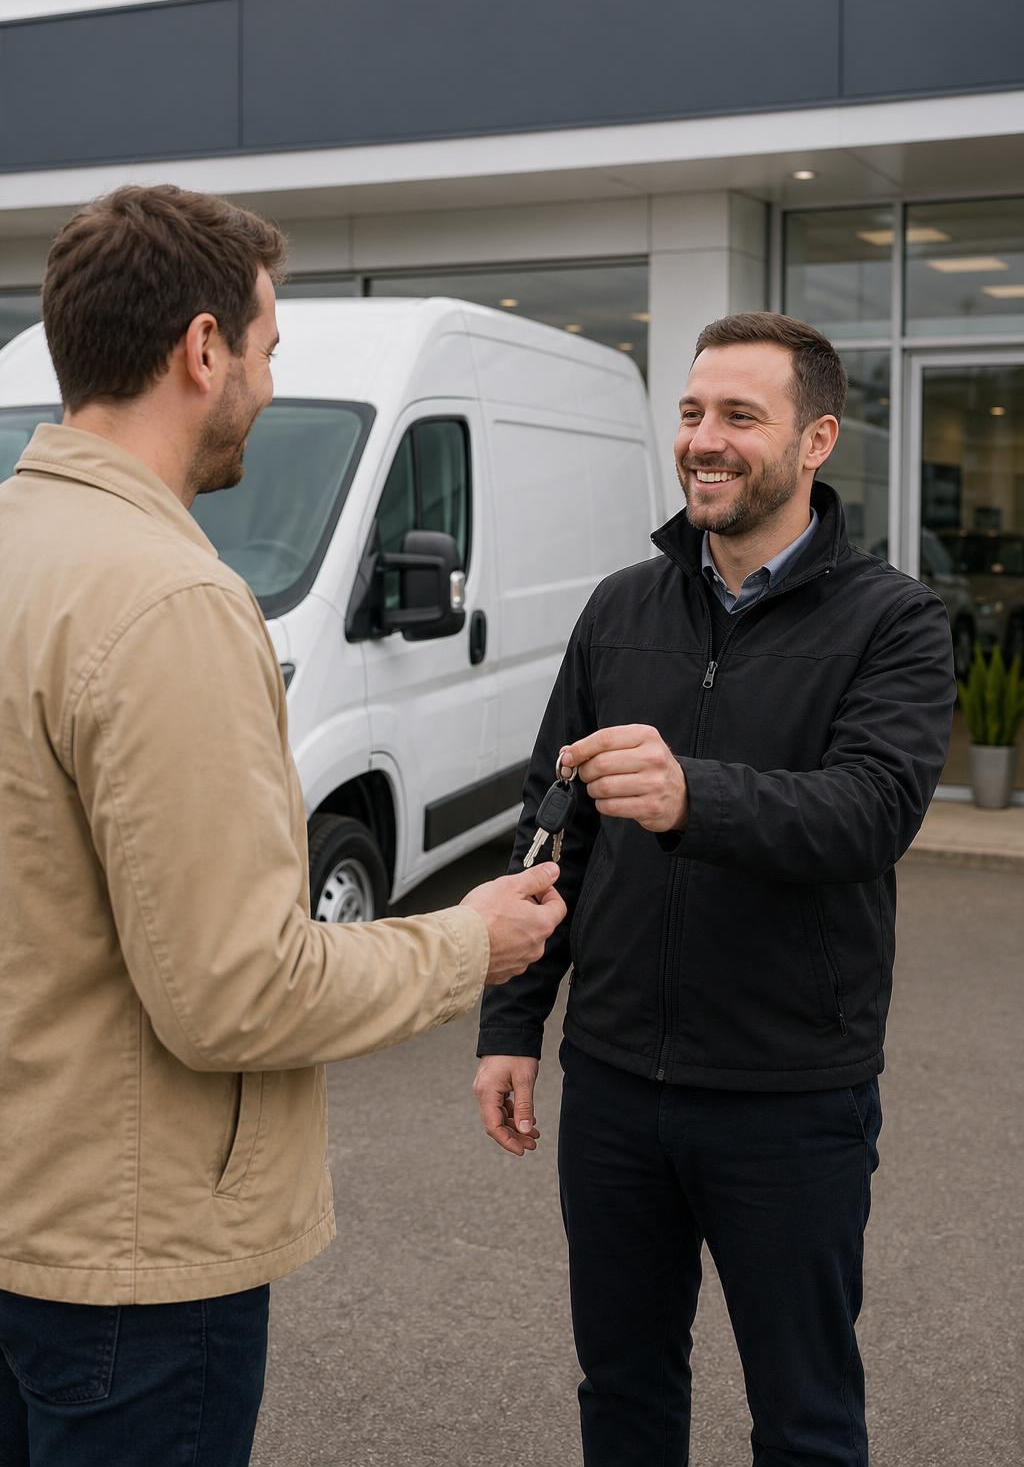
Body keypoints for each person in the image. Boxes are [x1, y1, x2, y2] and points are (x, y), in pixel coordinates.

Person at [0, 184, 565, 1467]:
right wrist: (468, 943)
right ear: (202, 350)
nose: (267, 381)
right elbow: (235, 994)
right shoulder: (169, 601)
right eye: (266, 347)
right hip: (130, 1264)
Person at [474, 312, 955, 1467]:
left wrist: (693, 795)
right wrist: (510, 1025)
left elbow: (870, 813)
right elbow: (552, 824)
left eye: (740, 415)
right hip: (613, 1081)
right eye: (692, 412)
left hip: (787, 1094)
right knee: (623, 1389)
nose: (704, 439)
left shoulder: (893, 621)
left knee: (805, 1414)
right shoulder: (619, 609)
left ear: (816, 439)